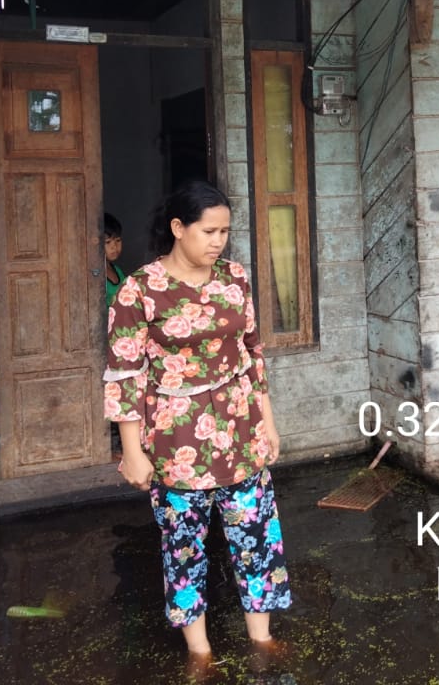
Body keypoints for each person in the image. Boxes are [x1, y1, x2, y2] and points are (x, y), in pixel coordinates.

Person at [104, 179, 290, 671]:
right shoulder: (138, 289)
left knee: (255, 533)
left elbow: (252, 353)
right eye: (209, 231)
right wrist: (132, 450)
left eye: (225, 232)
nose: (218, 242)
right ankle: (200, 650)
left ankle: (262, 637)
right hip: (174, 434)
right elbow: (124, 374)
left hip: (239, 424)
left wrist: (267, 423)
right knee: (184, 543)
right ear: (177, 228)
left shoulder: (235, 278)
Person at [103, 212, 126, 308]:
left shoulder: (118, 271)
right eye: (108, 242)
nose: (114, 247)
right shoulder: (94, 274)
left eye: (118, 240)